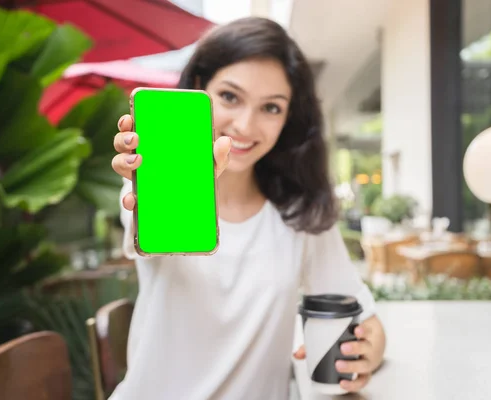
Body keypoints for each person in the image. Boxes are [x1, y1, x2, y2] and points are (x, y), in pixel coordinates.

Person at [109, 17, 386, 400]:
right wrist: (156, 178)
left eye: (271, 108)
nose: (244, 125)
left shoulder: (301, 215)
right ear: (198, 88)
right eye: (229, 97)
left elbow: (365, 322)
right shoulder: (152, 186)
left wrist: (365, 356)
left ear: (290, 119)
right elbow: (143, 232)